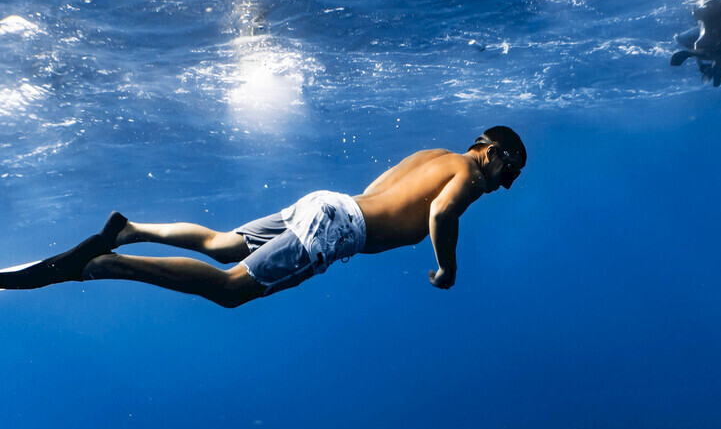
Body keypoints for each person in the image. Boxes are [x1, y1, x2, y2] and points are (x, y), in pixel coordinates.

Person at [1, 126, 526, 307]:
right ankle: (104, 264)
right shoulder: (469, 174)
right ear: (490, 150)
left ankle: (131, 229)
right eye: (510, 167)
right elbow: (440, 212)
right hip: (339, 226)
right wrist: (447, 267)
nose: (506, 182)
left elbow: (380, 191)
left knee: (225, 244)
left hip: (330, 204)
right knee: (231, 289)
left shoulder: (434, 156)